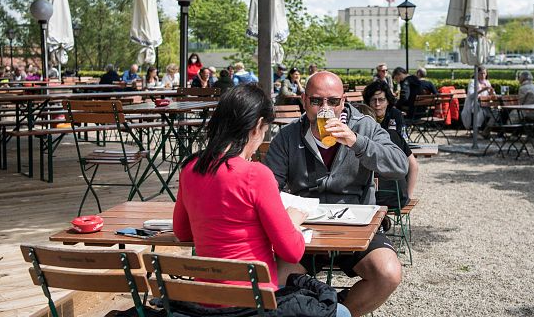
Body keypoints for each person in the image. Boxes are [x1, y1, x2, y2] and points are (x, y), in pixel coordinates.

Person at [174, 85, 350, 317]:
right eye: (265, 129)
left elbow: (183, 232)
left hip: (204, 304)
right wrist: (292, 221)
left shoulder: (190, 168)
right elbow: (292, 253)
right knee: (342, 313)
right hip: (253, 305)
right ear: (257, 126)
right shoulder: (255, 174)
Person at [265, 71, 408, 317]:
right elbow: (268, 188)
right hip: (306, 227)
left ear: (343, 102)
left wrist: (357, 142)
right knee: (274, 281)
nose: (325, 109)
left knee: (388, 274)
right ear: (303, 100)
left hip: (356, 224)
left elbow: (399, 166)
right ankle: (322, 309)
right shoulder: (289, 135)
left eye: (332, 101)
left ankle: (336, 312)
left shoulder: (364, 126)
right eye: (316, 101)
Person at [353, 104, 418, 211]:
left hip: (365, 203)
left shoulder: (352, 143)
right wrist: (408, 197)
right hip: (397, 200)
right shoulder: (392, 135)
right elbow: (414, 166)